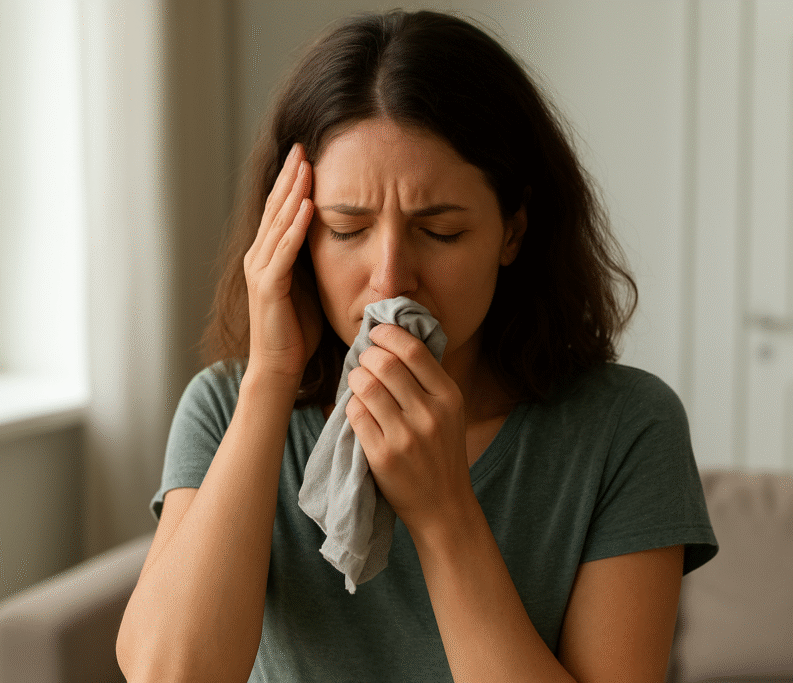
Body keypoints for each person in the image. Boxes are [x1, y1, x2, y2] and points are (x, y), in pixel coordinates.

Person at [116, 9, 717, 683]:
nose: (391, 277)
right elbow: (171, 674)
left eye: (442, 231)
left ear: (512, 231)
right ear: (296, 238)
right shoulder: (225, 407)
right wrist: (269, 379)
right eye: (348, 229)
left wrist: (445, 516)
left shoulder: (626, 428)